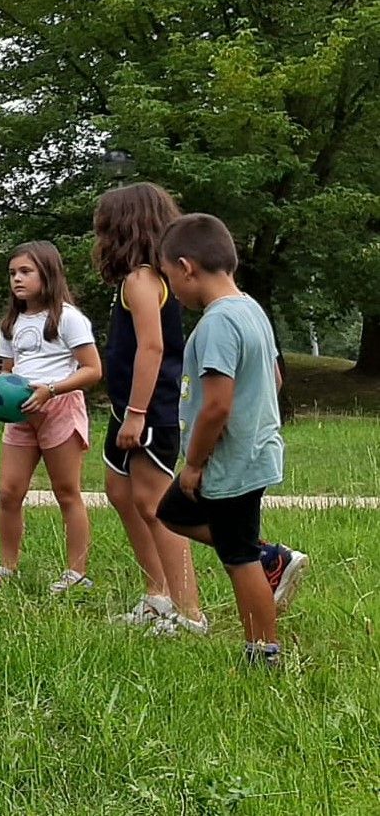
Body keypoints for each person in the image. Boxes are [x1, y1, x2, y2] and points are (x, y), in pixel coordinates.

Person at [155, 214, 309, 665]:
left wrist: (196, 462)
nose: (173, 292)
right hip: (255, 452)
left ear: (186, 267)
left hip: (229, 462)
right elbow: (274, 378)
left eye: (169, 278)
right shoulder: (251, 309)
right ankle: (269, 558)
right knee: (172, 512)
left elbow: (217, 405)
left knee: (239, 557)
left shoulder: (217, 323)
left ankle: (263, 651)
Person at [93, 183, 206, 635]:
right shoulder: (138, 279)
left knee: (157, 505)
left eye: (103, 226)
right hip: (127, 408)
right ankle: (157, 595)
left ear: (123, 227)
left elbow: (152, 348)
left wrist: (137, 412)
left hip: (148, 411)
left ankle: (190, 613)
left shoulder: (142, 280)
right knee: (120, 493)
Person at [0, 241, 102, 593]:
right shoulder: (12, 322)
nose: (17, 280)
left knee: (67, 492)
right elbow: (8, 372)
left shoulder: (68, 318)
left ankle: (76, 573)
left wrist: (51, 389)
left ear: (47, 274)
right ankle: (8, 567)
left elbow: (93, 369)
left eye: (25, 272)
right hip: (21, 416)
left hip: (59, 409)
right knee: (8, 492)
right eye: (12, 273)